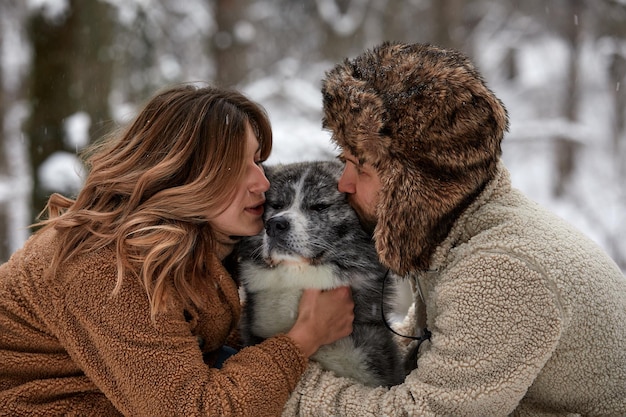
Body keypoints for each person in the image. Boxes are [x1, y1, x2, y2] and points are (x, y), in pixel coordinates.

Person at [282, 42, 626, 416]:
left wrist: (291, 387)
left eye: (362, 167)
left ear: (417, 186)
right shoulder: (461, 229)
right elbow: (425, 356)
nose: (343, 183)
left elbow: (420, 412)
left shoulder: (500, 270)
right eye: (343, 160)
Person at [0, 84, 354, 417]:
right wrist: (304, 337)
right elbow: (195, 410)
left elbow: (190, 337)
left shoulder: (195, 240)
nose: (262, 182)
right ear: (184, 172)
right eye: (239, 166)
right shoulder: (107, 266)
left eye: (258, 162)